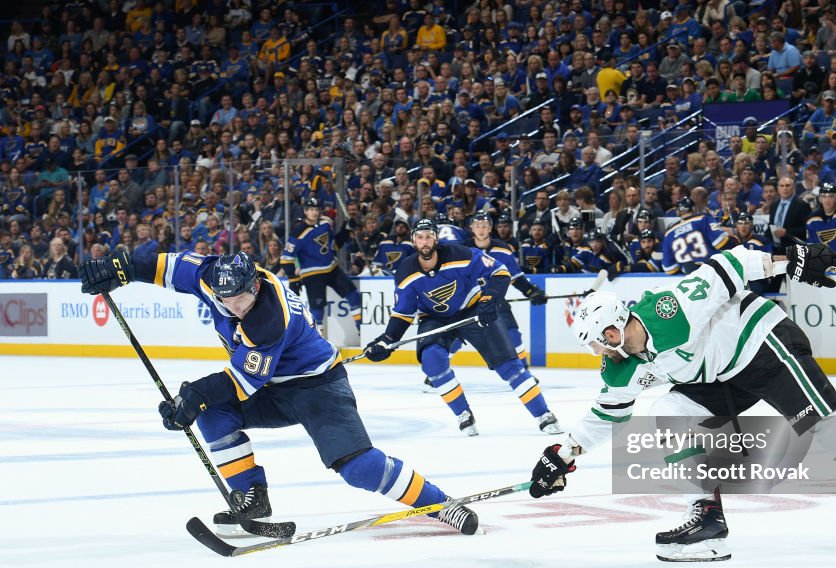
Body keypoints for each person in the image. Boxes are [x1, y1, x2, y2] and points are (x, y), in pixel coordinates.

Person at [527, 245, 836, 561]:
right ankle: (706, 520)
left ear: (611, 331)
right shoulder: (621, 366)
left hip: (762, 344)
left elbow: (731, 264)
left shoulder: (670, 309)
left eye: (596, 343)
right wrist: (562, 454)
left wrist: (790, 262)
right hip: (719, 376)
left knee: (833, 432)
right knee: (666, 414)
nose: (596, 353)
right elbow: (607, 412)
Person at [79, 249, 479, 536]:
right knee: (213, 412)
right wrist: (121, 266)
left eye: (240, 297)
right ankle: (251, 496)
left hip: (318, 387)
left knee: (359, 468)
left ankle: (443, 505)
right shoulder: (213, 276)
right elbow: (164, 265)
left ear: (255, 285)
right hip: (271, 385)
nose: (233, 306)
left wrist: (192, 396)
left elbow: (239, 383)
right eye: (224, 299)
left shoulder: (269, 317)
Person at [364, 218, 562, 436]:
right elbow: (403, 313)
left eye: (429, 236)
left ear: (436, 238)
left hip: (472, 310)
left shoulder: (461, 254)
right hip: (435, 318)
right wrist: (387, 339)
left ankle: (543, 414)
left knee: (509, 366)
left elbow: (500, 272)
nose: (425, 241)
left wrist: (489, 299)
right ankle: (463, 413)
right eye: (420, 237)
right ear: (413, 242)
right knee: (432, 361)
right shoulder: (405, 272)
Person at [462, 211, 548, 365]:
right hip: (468, 302)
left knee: (513, 334)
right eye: (477, 226)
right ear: (471, 228)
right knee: (457, 335)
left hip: (495, 300)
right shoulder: (462, 250)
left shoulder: (502, 249)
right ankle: (438, 372)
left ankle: (523, 369)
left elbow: (514, 277)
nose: (481, 229)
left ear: (490, 228)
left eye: (484, 226)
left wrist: (530, 291)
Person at [281, 196, 361, 335]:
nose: (314, 212)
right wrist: (293, 279)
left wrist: (346, 230)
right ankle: (318, 343)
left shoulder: (325, 224)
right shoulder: (298, 232)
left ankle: (362, 329)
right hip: (312, 275)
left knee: (354, 296)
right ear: (305, 211)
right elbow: (286, 259)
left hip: (332, 269)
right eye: (311, 209)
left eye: (316, 209)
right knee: (317, 311)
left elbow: (334, 245)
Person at [661, 197, 729, 275]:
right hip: (712, 272)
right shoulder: (703, 219)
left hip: (688, 277)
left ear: (677, 212)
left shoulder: (669, 233)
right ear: (693, 208)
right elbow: (721, 242)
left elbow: (670, 269)